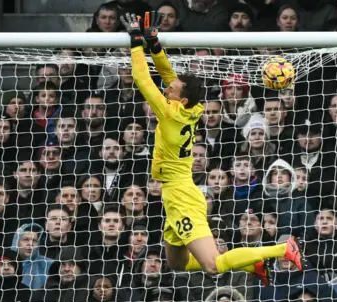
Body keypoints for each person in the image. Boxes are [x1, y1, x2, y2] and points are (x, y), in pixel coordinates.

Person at [120, 11, 305, 286]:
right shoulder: (192, 107)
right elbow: (167, 73)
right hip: (175, 193)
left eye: (171, 89)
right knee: (177, 263)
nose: (167, 88)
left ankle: (282, 248)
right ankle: (250, 262)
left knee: (213, 265)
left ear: (180, 99)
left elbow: (142, 77)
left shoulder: (169, 113)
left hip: (181, 194)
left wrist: (136, 41)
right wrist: (154, 43)